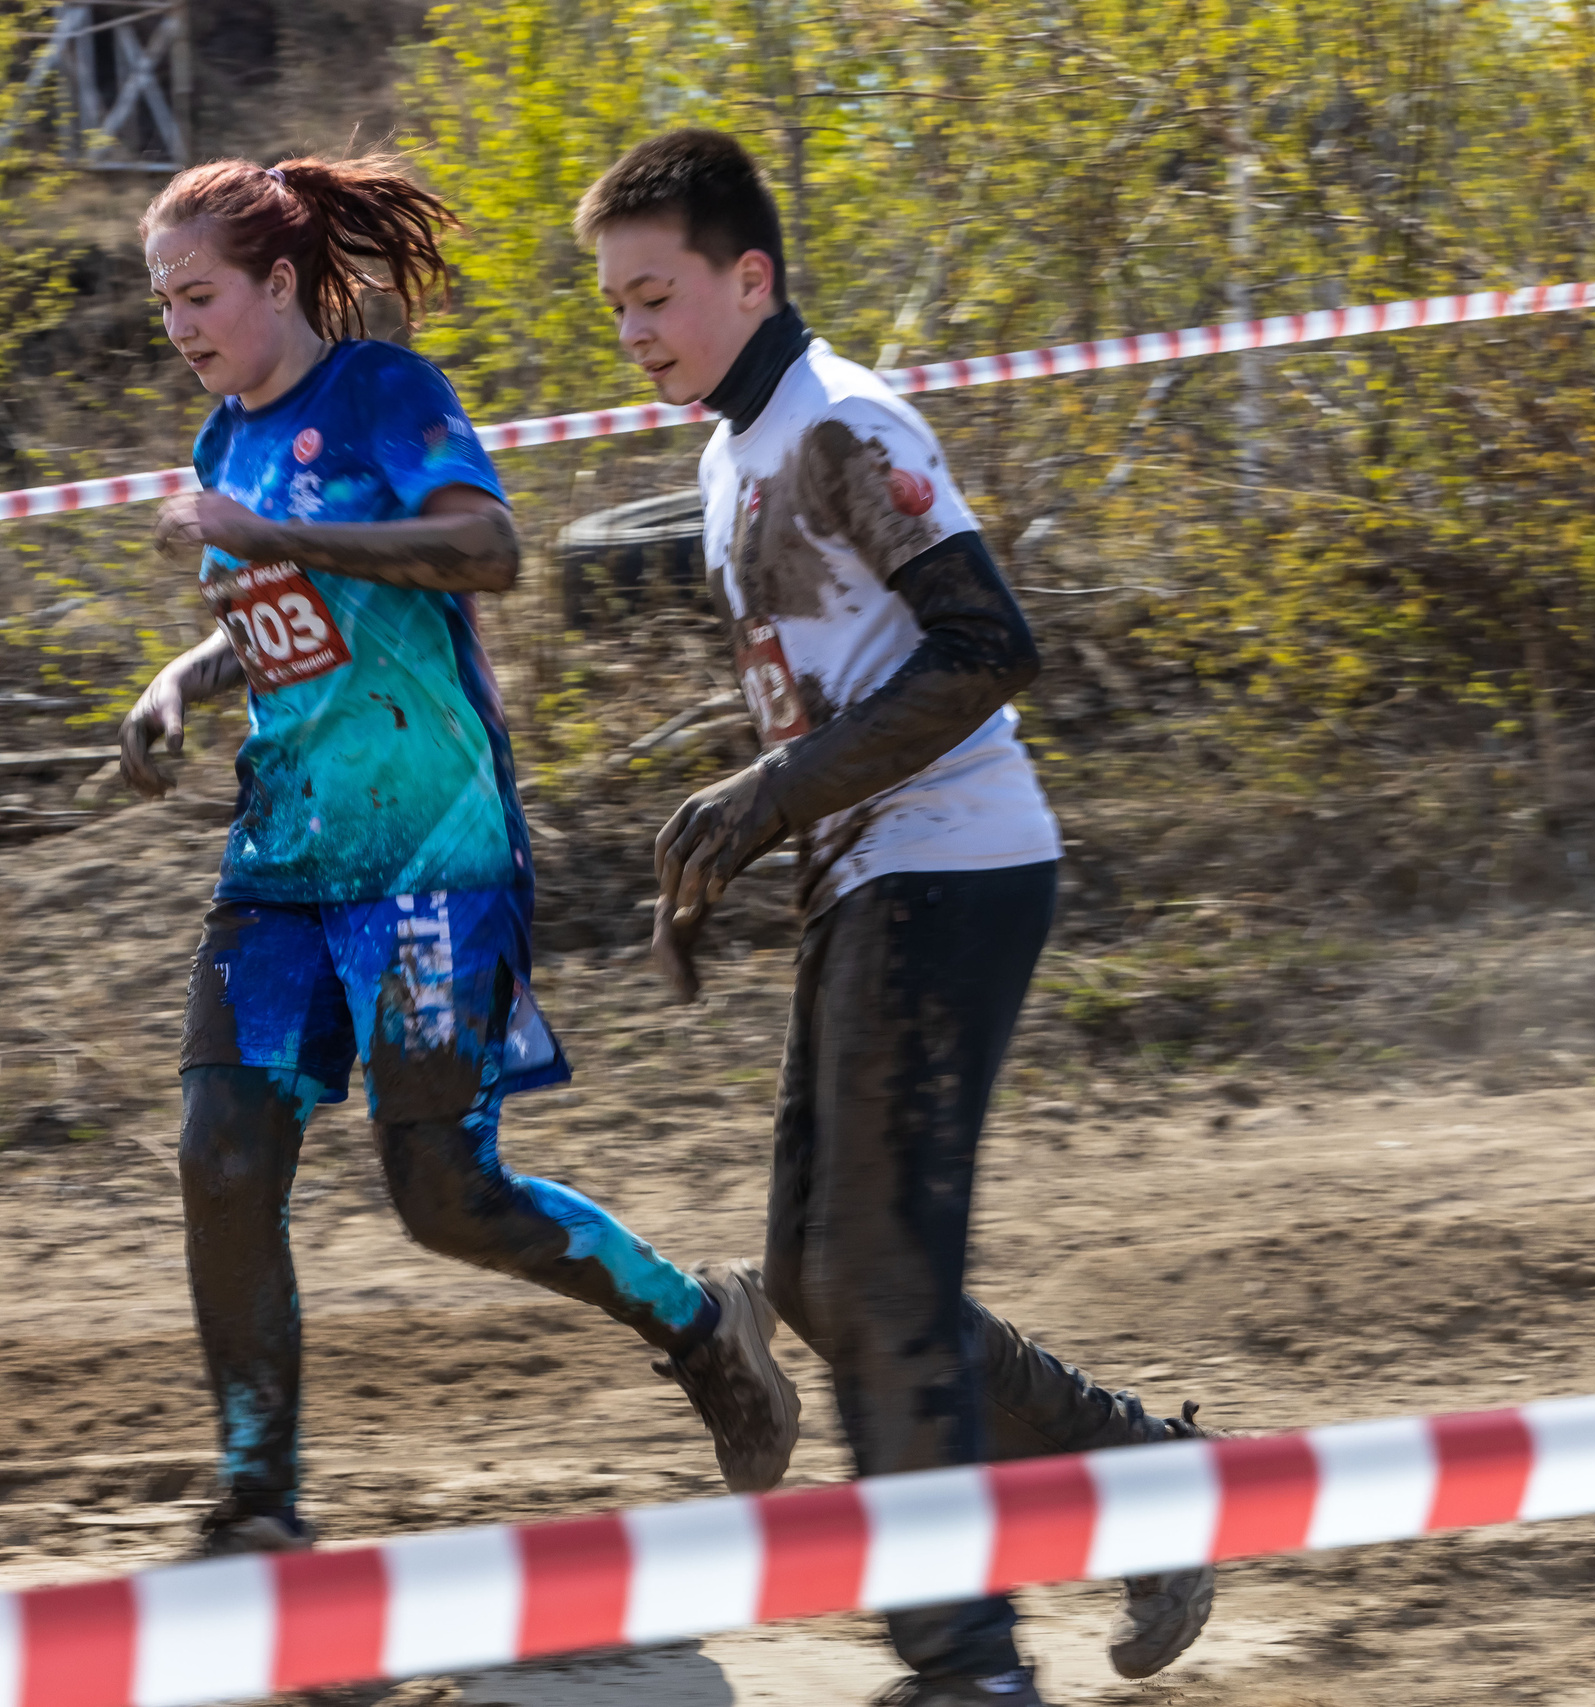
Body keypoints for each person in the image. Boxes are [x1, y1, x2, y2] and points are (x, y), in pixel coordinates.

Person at [575, 131, 1216, 1704]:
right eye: (615, 308)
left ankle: (967, 1658)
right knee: (817, 1272)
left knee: (871, 1268)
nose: (636, 331)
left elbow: (989, 644)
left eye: (657, 296)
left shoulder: (840, 422)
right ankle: (1139, 1470)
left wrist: (770, 795)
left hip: (956, 859)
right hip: (869, 872)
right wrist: (734, 826)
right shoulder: (735, 448)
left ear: (751, 275)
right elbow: (836, 690)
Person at [116, 157, 804, 1556]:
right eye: (163, 302)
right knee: (221, 1152)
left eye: (201, 295)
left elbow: (487, 548)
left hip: (434, 855)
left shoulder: (384, 395)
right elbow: (286, 606)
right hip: (285, 859)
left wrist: (272, 532)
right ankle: (259, 1495)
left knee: (443, 1191)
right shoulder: (215, 443)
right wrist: (187, 675)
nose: (181, 325)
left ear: (282, 283)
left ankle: (698, 1319)